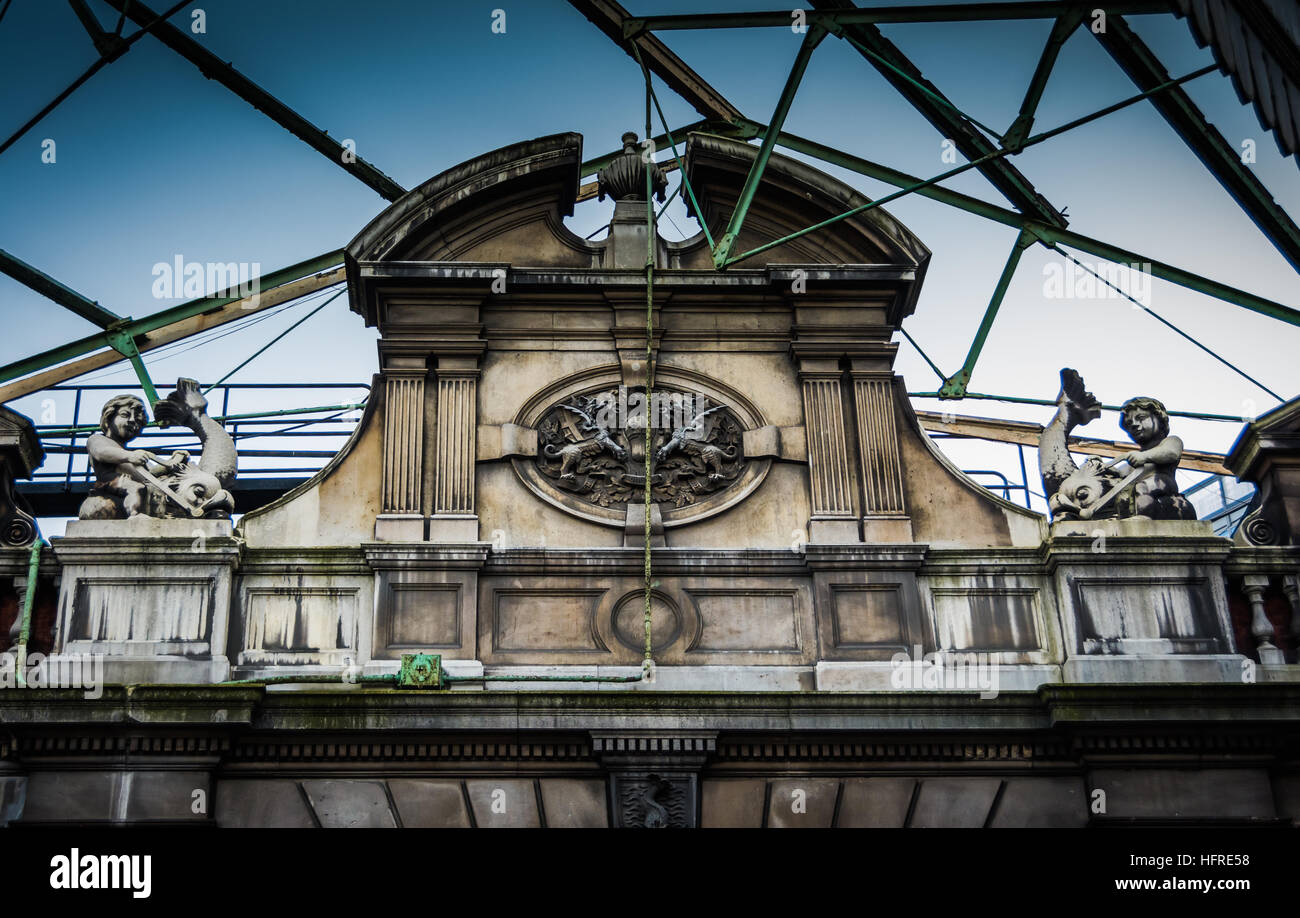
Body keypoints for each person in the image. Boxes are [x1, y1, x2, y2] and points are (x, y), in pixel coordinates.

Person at [81, 395, 188, 519]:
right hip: (111, 483)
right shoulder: (98, 439)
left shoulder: (130, 455)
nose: (132, 421)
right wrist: (130, 456)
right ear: (109, 417)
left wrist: (171, 463)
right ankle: (134, 514)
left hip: (136, 487)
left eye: (138, 420)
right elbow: (101, 452)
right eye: (125, 415)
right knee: (136, 487)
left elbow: (150, 474)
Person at [1114, 396, 1195, 520]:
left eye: (1141, 418)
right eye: (1129, 423)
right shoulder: (1135, 458)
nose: (1134, 425)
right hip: (1138, 497)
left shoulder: (1171, 441)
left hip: (1163, 487)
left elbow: (1171, 452)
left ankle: (1143, 518)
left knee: (1143, 486)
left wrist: (1144, 456)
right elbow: (1122, 472)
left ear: (1160, 419)